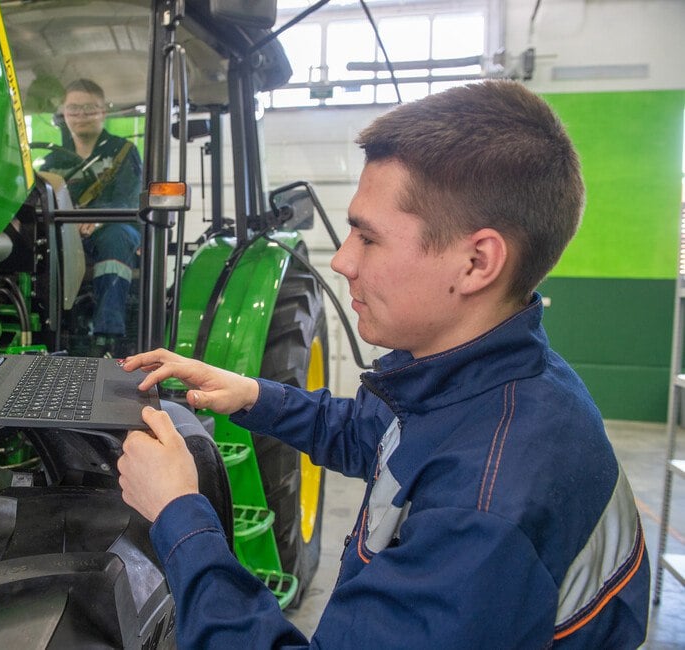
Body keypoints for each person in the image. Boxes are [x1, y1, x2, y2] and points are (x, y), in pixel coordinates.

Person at [116, 80, 651, 648]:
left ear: (477, 262)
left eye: (369, 239)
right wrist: (251, 393)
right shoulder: (484, 379)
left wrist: (179, 515)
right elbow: (373, 434)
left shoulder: (486, 511)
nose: (343, 260)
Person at [40, 78, 143, 355]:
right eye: (74, 109)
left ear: (103, 112)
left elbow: (129, 198)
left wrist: (99, 219)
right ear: (64, 113)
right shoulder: (53, 162)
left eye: (89, 108)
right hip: (67, 233)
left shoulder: (124, 152)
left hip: (115, 229)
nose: (81, 115)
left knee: (116, 237)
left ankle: (107, 338)